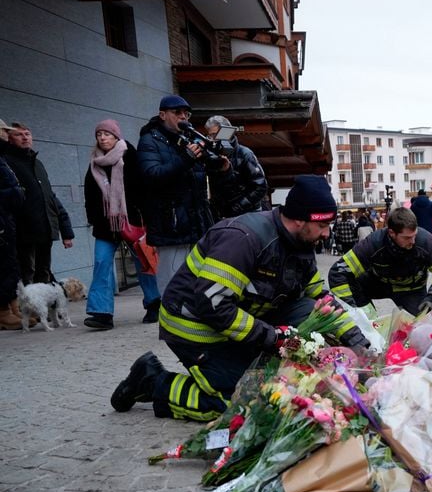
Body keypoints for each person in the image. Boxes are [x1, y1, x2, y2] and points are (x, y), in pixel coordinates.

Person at [110, 175, 368, 421]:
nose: (326, 234)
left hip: (236, 322)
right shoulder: (243, 239)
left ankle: (244, 362)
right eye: (322, 225)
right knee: (243, 401)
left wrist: (360, 343)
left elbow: (320, 300)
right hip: (195, 327)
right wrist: (273, 339)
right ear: (300, 220)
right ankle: (153, 381)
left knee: (305, 312)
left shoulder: (301, 245)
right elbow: (214, 305)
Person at [82, 119, 161, 330]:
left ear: (116, 136)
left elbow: (144, 189)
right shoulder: (94, 163)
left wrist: (146, 218)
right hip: (105, 226)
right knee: (101, 264)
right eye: (99, 134)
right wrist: (94, 219)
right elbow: (90, 195)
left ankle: (155, 304)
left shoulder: (131, 156)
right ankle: (102, 314)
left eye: (107, 134)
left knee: (144, 262)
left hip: (133, 221)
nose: (102, 138)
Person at [137, 95, 216, 294]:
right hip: (171, 223)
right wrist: (186, 158)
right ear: (162, 115)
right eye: (177, 113)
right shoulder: (149, 141)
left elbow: (199, 179)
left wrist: (220, 166)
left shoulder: (188, 139)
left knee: (200, 280)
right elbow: (152, 175)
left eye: (186, 114)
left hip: (196, 221)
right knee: (173, 282)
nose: (183, 117)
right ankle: (170, 321)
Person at [328, 207, 432, 316]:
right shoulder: (373, 243)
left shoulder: (426, 242)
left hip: (412, 290)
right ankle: (368, 320)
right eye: (407, 238)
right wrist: (353, 311)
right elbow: (338, 272)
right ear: (392, 233)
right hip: (379, 285)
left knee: (428, 328)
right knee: (354, 285)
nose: (413, 241)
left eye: (414, 235)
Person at [1, 121, 74, 284]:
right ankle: (27, 309)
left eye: (27, 134)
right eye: (19, 134)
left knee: (44, 273)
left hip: (45, 229)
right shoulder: (6, 162)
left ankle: (44, 309)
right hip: (23, 231)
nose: (24, 137)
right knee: (27, 273)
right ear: (9, 139)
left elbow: (50, 197)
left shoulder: (37, 163)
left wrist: (66, 230)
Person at [204, 115, 270, 219]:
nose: (213, 139)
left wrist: (237, 207)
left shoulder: (245, 154)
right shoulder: (210, 157)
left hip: (248, 214)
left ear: (227, 132)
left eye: (215, 135)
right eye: (210, 136)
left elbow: (260, 187)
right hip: (221, 216)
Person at [0, 120, 26, 330]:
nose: (6, 134)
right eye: (3, 131)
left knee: (10, 264)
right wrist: (16, 193)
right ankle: (4, 311)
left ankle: (14, 306)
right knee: (4, 265)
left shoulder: (3, 157)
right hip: (1, 218)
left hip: (7, 218)